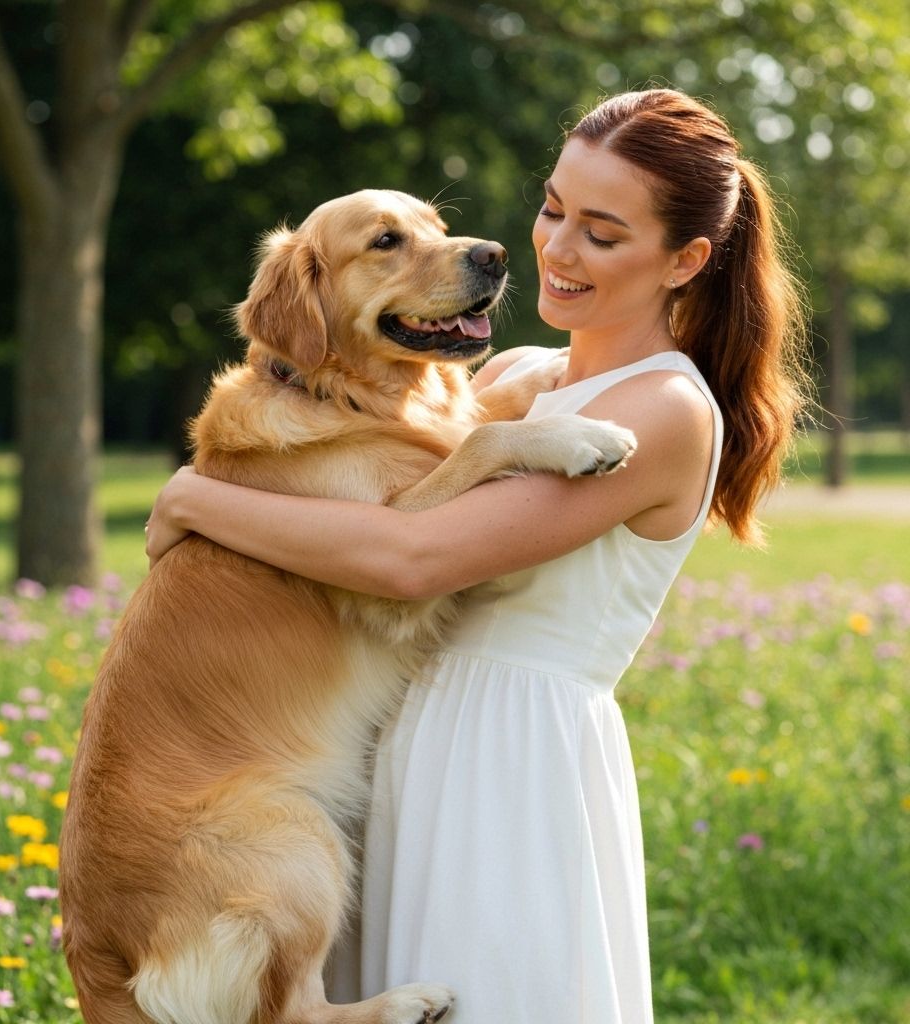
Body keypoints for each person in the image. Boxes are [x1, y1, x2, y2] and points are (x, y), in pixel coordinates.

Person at [145, 88, 810, 1023]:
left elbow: (410, 560)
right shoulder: (507, 376)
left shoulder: (665, 409)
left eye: (603, 233)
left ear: (685, 260)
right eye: (552, 209)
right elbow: (349, 447)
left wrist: (192, 499)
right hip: (390, 753)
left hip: (515, 769)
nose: (555, 248)